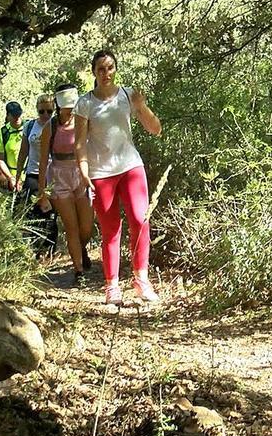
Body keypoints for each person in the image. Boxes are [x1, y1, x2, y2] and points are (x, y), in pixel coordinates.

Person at [74, 50, 162, 304]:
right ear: (93, 72)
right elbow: (80, 143)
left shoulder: (127, 95)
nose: (106, 73)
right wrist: (83, 171)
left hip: (131, 166)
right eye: (101, 69)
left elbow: (155, 129)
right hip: (101, 173)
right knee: (111, 230)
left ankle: (141, 280)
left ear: (116, 69)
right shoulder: (85, 103)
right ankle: (111, 286)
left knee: (140, 219)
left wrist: (141, 105)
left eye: (110, 68)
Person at [36, 85, 95, 282]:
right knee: (71, 227)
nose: (71, 109)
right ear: (59, 105)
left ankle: (82, 248)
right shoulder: (49, 129)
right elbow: (43, 160)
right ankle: (78, 271)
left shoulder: (84, 122)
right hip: (59, 177)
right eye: (67, 106)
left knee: (86, 227)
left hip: (82, 174)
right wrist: (42, 192)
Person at [15, 94, 59, 257]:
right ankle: (35, 250)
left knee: (51, 214)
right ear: (37, 110)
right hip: (32, 174)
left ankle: (50, 250)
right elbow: (23, 151)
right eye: (42, 112)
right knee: (33, 212)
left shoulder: (56, 126)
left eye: (49, 111)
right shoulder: (29, 126)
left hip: (53, 175)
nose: (46, 115)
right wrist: (18, 174)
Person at [0, 101, 25, 195]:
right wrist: (10, 178)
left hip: (30, 176)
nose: (17, 117)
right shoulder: (3, 132)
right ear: (8, 116)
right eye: (14, 115)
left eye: (19, 114)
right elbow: (0, 159)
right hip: (12, 179)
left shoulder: (29, 127)